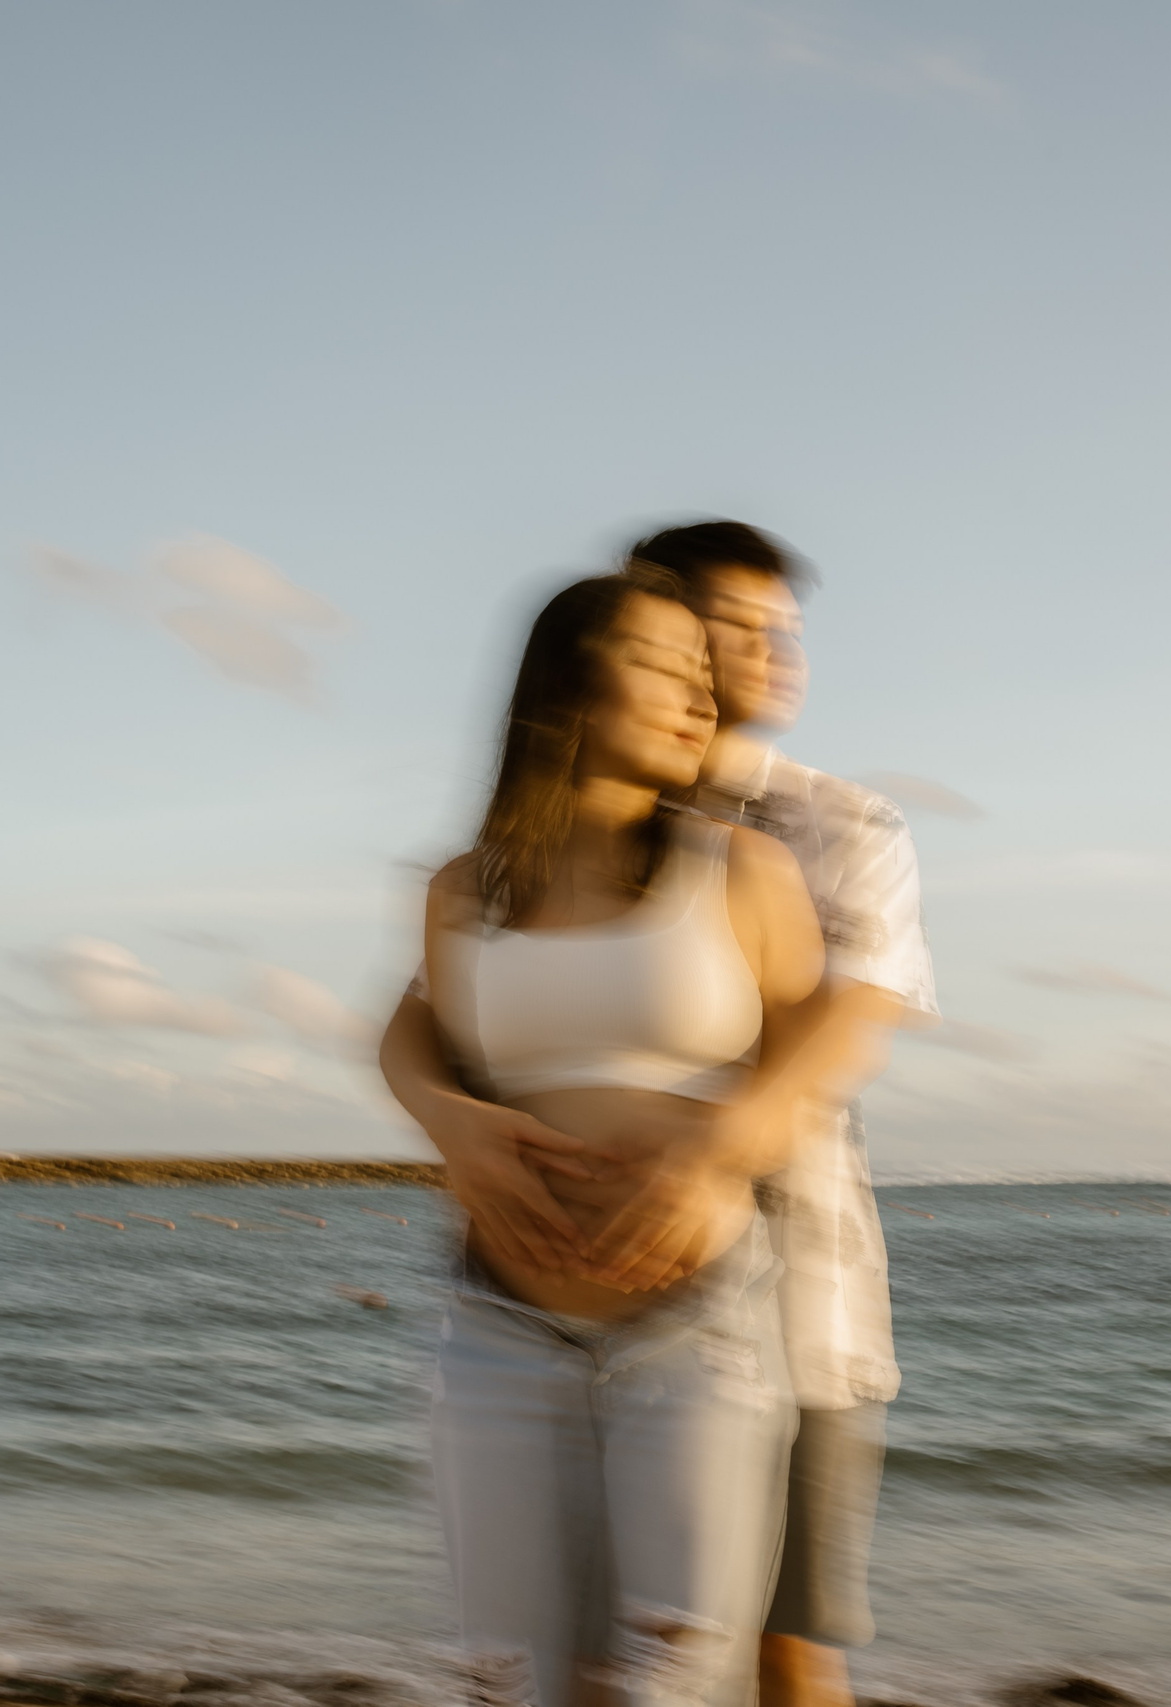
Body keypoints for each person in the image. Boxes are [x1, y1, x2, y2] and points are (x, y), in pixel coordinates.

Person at [383, 524, 934, 1707]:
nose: (738, 668)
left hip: (745, 1302)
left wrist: (713, 1154)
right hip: (506, 1318)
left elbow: (843, 1026)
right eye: (711, 640)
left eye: (767, 638)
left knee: (736, 1666)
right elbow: (416, 1022)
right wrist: (453, 1126)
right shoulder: (477, 881)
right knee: (520, 1679)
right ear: (584, 665)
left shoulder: (804, 838)